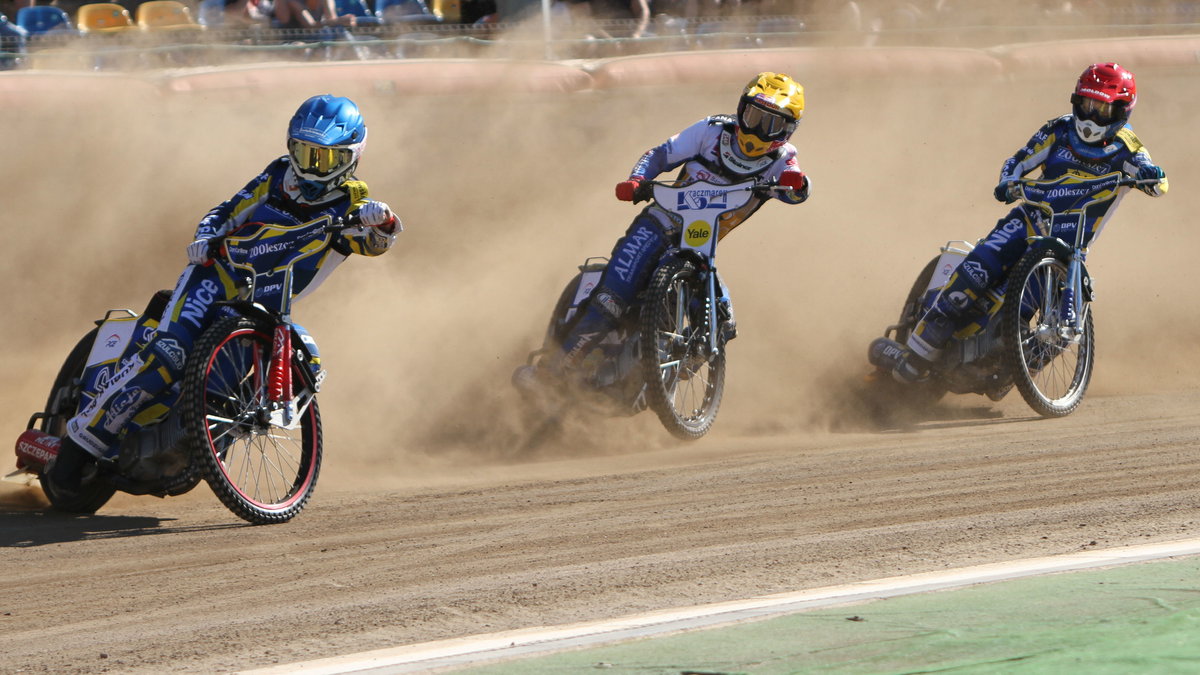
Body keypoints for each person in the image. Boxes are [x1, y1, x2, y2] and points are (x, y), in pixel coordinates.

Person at [47, 94, 401, 497]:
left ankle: (188, 446)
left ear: (352, 157)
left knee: (238, 380)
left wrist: (384, 222)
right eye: (303, 153)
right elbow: (227, 210)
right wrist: (204, 238)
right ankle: (80, 443)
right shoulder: (277, 176)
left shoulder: (355, 201)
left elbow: (374, 243)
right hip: (215, 276)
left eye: (324, 158)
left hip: (261, 304)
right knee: (169, 354)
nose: (310, 168)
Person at [873, 62, 1167, 384]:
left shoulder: (1128, 147)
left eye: (1102, 108)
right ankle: (914, 357)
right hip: (1026, 222)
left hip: (1069, 247)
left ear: (1123, 110)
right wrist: (1007, 182)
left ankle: (1008, 373)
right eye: (1086, 104)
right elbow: (1018, 160)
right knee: (972, 276)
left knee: (1060, 331)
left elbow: (1154, 178)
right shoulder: (1058, 130)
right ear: (1076, 101)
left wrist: (1152, 179)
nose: (1092, 115)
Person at [517, 71, 810, 391]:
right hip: (661, 221)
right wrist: (637, 180)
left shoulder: (783, 160)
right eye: (753, 116)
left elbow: (798, 187)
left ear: (787, 131)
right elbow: (660, 154)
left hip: (701, 240)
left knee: (723, 320)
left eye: (771, 124)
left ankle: (684, 362)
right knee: (610, 300)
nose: (756, 130)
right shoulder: (711, 131)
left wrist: (795, 186)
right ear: (741, 109)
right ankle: (551, 373)